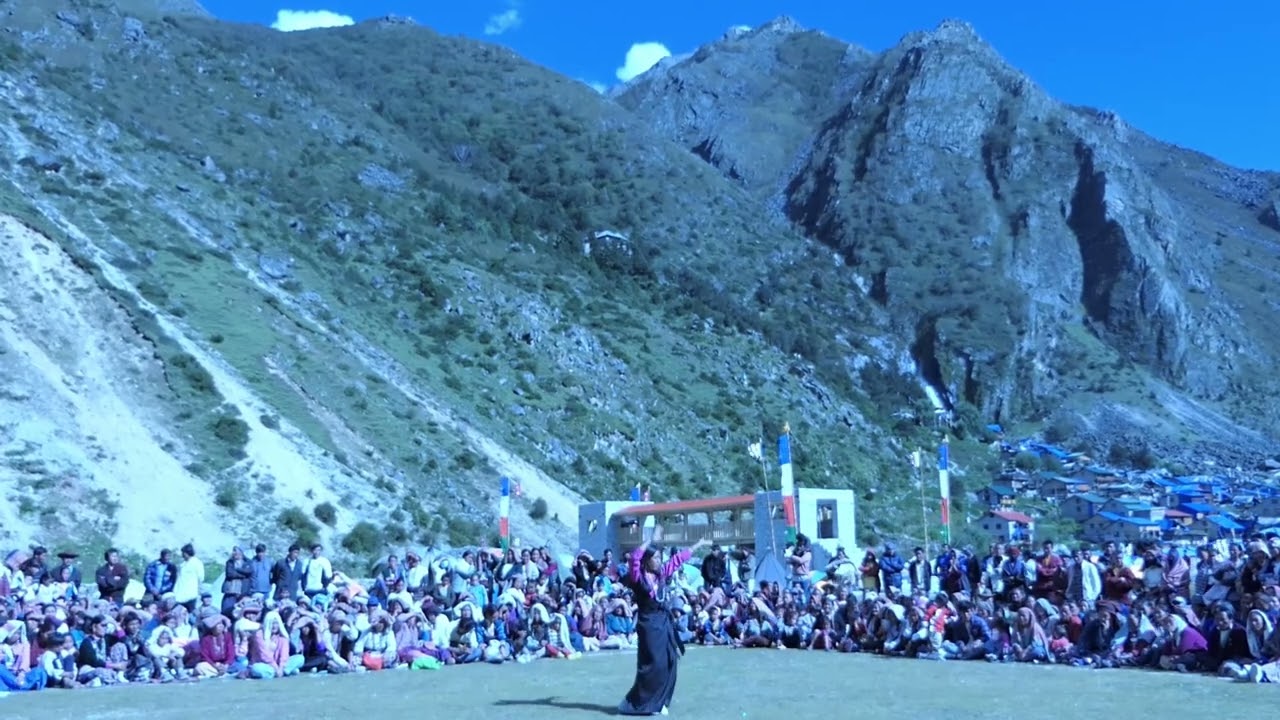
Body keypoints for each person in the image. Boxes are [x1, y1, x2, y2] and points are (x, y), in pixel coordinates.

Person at [617, 525, 710, 717]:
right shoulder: (638, 578)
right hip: (649, 624)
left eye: (660, 557)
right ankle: (640, 703)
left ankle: (661, 702)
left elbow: (678, 560)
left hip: (664, 622)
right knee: (654, 664)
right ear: (647, 561)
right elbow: (635, 558)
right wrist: (651, 538)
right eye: (656, 558)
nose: (660, 561)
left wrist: (698, 544)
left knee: (670, 660)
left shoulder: (662, 574)